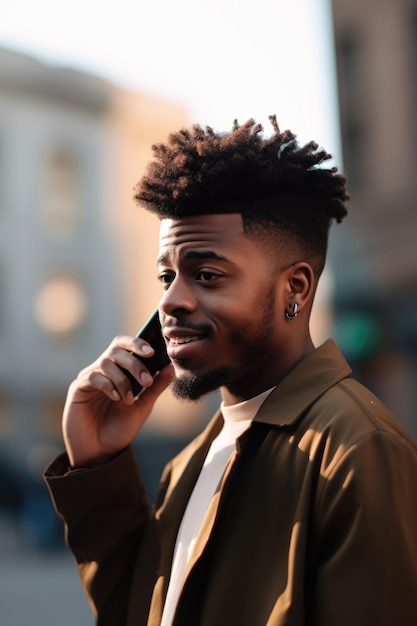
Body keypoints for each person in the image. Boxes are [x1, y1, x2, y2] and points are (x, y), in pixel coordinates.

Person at [44, 117, 417, 626]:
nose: (171, 300)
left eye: (207, 275)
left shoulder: (357, 450)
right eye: (166, 276)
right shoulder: (194, 459)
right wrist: (96, 461)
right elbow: (139, 612)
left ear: (296, 289)